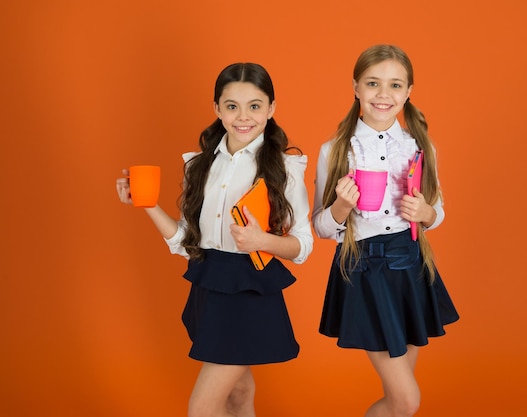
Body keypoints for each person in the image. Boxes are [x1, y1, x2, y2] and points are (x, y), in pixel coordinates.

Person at [116, 63, 313, 417]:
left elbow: (303, 246)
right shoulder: (198, 166)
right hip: (209, 284)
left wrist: (261, 240)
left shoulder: (285, 169)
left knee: (202, 408)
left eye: (255, 106)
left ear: (271, 109)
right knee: (239, 396)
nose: (243, 117)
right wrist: (145, 204)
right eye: (231, 105)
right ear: (217, 109)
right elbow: (186, 242)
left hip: (249, 292)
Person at [312, 45, 459, 416]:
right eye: (373, 83)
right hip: (365, 271)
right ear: (356, 87)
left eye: (395, 85)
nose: (384, 94)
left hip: (410, 267)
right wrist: (341, 208)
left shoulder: (419, 146)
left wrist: (426, 212)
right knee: (407, 399)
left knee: (400, 404)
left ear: (409, 91)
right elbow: (321, 226)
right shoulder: (336, 150)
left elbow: (436, 211)